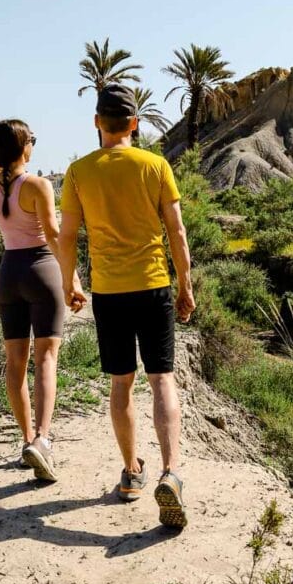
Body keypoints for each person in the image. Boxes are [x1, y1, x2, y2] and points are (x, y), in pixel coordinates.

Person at [58, 84, 195, 529]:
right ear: (134, 123)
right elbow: (176, 231)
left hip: (109, 292)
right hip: (153, 285)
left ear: (97, 122)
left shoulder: (78, 172)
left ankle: (133, 473)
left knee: (121, 383)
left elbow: (67, 236)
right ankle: (171, 472)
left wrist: (69, 283)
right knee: (162, 379)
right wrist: (186, 285)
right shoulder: (156, 165)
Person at [0, 119, 84, 482]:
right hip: (41, 270)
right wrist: (72, 279)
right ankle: (42, 438)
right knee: (46, 357)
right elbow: (54, 235)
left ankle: (26, 439)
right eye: (32, 141)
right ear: (24, 146)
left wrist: (3, 153)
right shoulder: (39, 185)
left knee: (15, 361)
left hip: (8, 274)